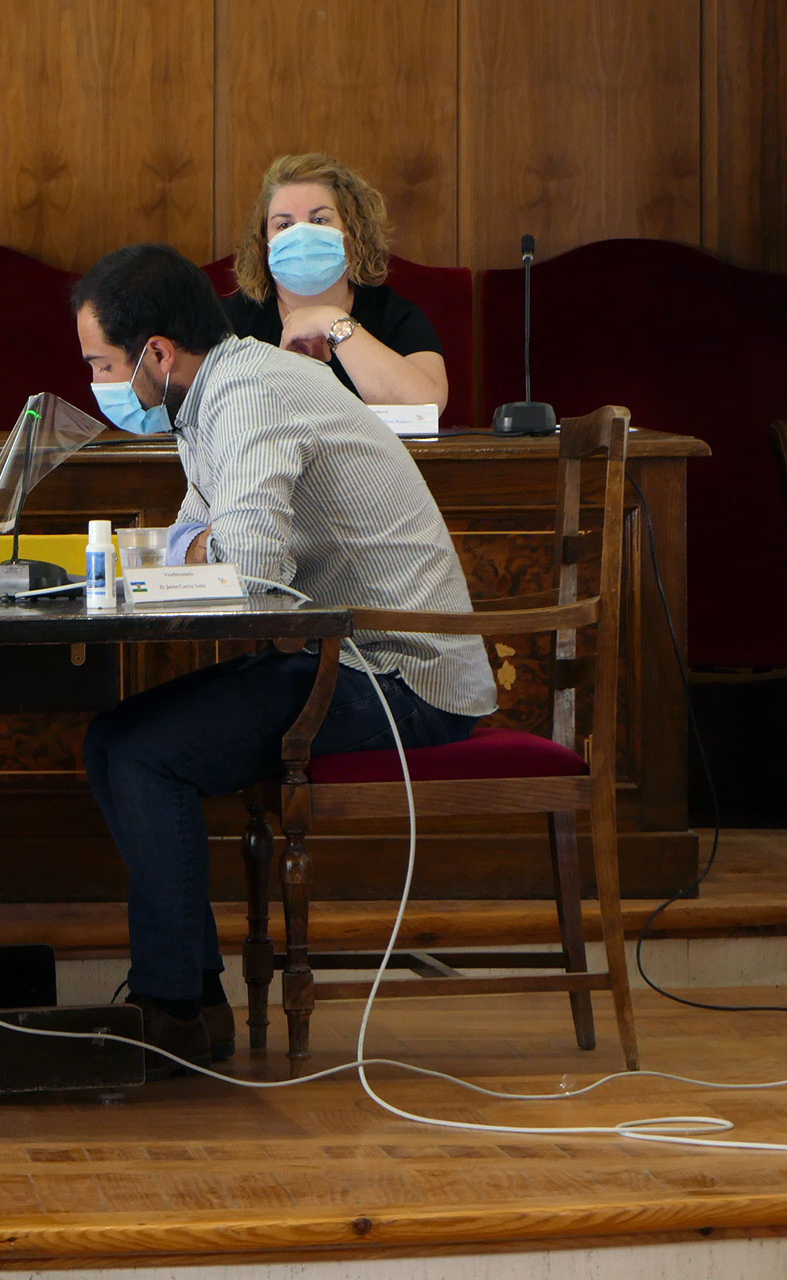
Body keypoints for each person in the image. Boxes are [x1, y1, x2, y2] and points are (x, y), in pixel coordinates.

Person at [70, 243, 496, 1073]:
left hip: (403, 675)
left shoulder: (251, 395)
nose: (98, 383)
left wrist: (197, 548)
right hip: (339, 653)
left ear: (157, 353)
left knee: (146, 753)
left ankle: (173, 1009)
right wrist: (197, 547)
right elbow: (191, 540)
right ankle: (189, 1000)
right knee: (114, 739)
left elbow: (248, 568)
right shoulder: (212, 397)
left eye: (102, 365)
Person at [222, 154, 448, 409]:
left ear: (353, 233)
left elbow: (426, 406)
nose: (301, 234)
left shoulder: (394, 315)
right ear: (264, 243)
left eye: (319, 220)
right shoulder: (228, 323)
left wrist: (331, 321)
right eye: (284, 225)